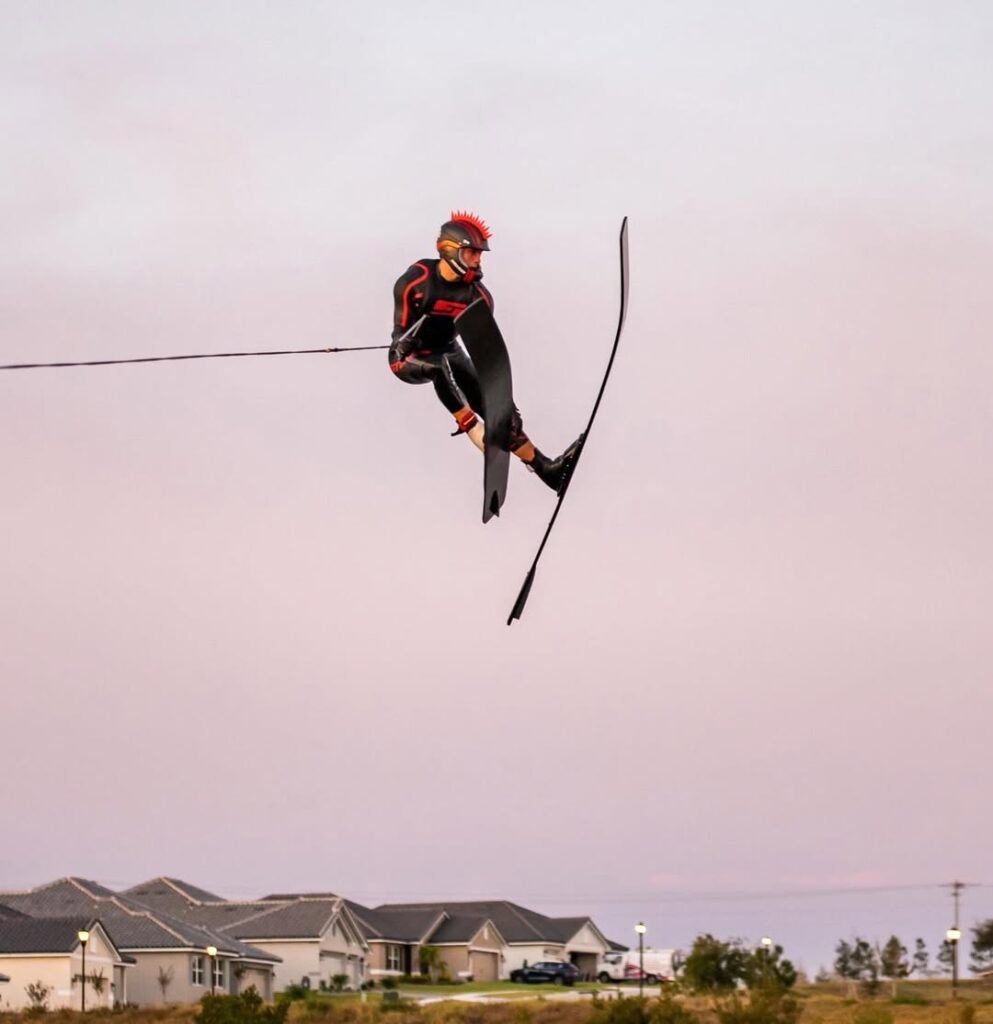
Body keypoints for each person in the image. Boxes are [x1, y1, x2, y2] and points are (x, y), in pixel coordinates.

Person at [389, 211, 581, 493]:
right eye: (472, 253)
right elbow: (399, 333)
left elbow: (486, 356)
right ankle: (471, 428)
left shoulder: (478, 297)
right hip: (409, 358)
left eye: (480, 254)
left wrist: (506, 405)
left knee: (500, 414)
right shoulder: (415, 280)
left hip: (449, 350)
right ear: (450, 250)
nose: (478, 260)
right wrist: (402, 343)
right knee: (438, 368)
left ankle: (548, 471)